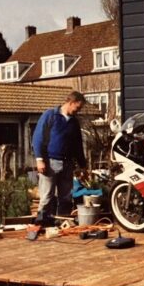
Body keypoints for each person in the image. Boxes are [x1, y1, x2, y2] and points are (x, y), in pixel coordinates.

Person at [32, 91, 88, 225]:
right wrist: (39, 159)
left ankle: (62, 222)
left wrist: (83, 166)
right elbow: (38, 138)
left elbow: (78, 146)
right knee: (47, 196)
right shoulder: (50, 116)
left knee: (66, 197)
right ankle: (41, 223)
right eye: (78, 107)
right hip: (50, 163)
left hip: (67, 164)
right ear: (71, 102)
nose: (78, 111)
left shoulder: (74, 122)